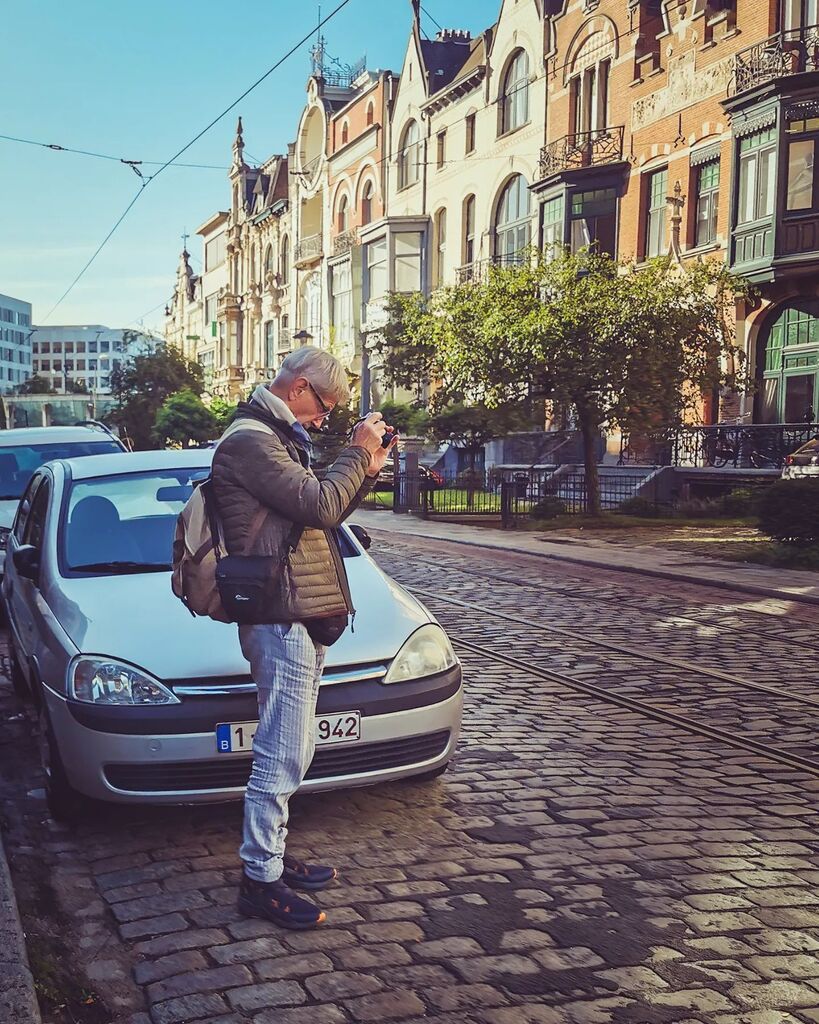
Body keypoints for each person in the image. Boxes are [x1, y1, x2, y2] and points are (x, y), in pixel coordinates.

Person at [211, 346, 395, 930]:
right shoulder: (250, 441)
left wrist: (364, 470)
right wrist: (355, 451)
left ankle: (272, 856)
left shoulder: (278, 438)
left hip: (299, 609)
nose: (325, 417)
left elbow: (326, 512)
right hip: (278, 612)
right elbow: (318, 502)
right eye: (325, 405)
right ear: (298, 388)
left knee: (295, 744)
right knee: (282, 750)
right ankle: (258, 880)